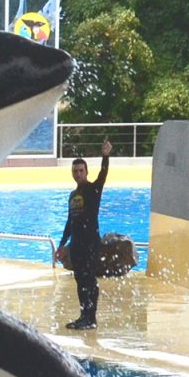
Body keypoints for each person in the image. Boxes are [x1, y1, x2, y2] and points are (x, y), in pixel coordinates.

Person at [56, 138, 113, 329]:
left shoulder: (93, 189)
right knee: (80, 279)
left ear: (86, 172)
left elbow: (103, 175)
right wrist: (63, 243)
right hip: (77, 244)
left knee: (89, 279)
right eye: (75, 171)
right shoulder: (73, 195)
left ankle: (92, 317)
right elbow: (69, 221)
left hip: (90, 242)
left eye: (81, 170)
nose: (78, 173)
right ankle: (83, 316)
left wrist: (105, 156)